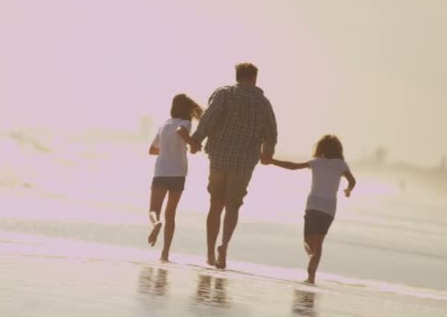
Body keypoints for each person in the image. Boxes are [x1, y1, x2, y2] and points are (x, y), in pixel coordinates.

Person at [189, 62, 278, 269]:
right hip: (244, 163)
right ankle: (224, 247)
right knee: (232, 206)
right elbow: (271, 132)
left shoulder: (224, 94)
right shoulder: (263, 103)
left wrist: (196, 140)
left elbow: (208, 119)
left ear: (237, 76)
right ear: (254, 78)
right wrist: (267, 154)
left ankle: (210, 253)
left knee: (215, 204)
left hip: (219, 157)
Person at [263, 134, 357, 284]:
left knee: (308, 241)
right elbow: (352, 180)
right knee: (319, 241)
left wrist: (272, 161)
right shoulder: (340, 164)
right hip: (329, 207)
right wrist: (348, 190)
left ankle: (312, 260)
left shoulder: (317, 162)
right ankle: (312, 273)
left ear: (320, 148)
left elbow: (293, 166)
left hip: (314, 205)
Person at [148, 93, 203, 261]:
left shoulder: (164, 124)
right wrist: (191, 143)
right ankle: (165, 253)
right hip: (178, 173)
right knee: (171, 214)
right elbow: (181, 131)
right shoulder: (186, 123)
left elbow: (152, 150)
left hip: (162, 171)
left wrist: (166, 149)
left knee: (154, 210)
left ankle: (156, 223)